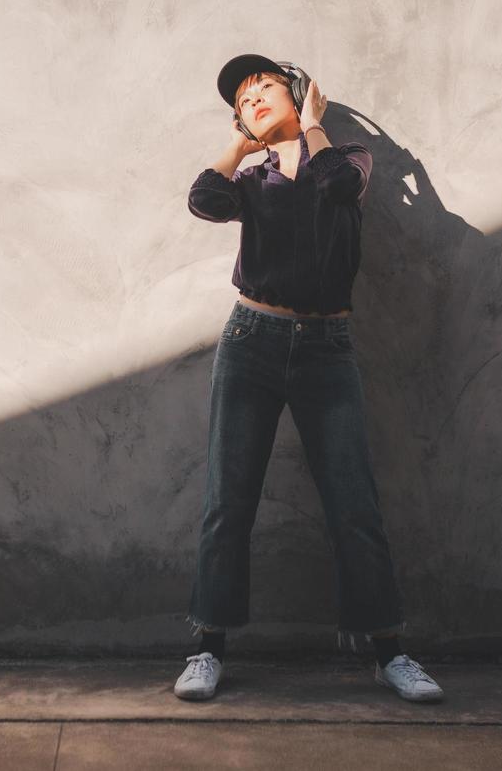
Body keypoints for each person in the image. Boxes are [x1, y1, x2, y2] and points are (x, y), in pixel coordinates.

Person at [173, 53, 444, 704]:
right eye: (241, 98)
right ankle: (207, 647)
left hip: (327, 348)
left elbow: (339, 189)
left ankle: (389, 652)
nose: (253, 98)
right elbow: (203, 199)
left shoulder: (346, 158)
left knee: (354, 504)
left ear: (297, 94)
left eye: (264, 86)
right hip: (251, 343)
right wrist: (243, 139)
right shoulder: (253, 179)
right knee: (227, 502)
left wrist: (314, 128)